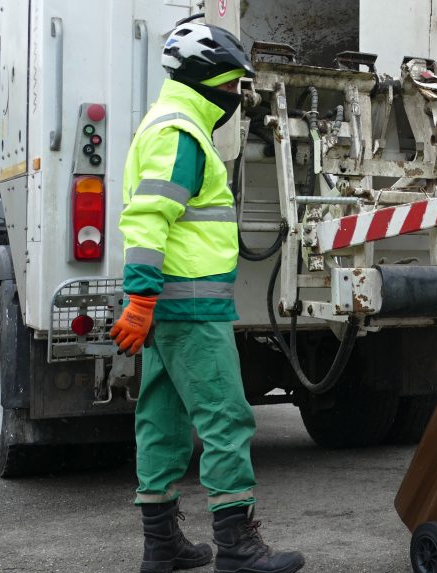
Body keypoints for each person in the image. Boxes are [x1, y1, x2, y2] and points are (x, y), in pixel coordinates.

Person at [111, 21, 305, 573]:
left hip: (167, 310)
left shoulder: (164, 125)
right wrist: (141, 298)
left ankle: (161, 546)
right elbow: (149, 219)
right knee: (226, 418)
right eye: (231, 85)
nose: (235, 97)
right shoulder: (182, 136)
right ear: (207, 80)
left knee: (162, 420)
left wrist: (146, 303)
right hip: (190, 309)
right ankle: (238, 545)